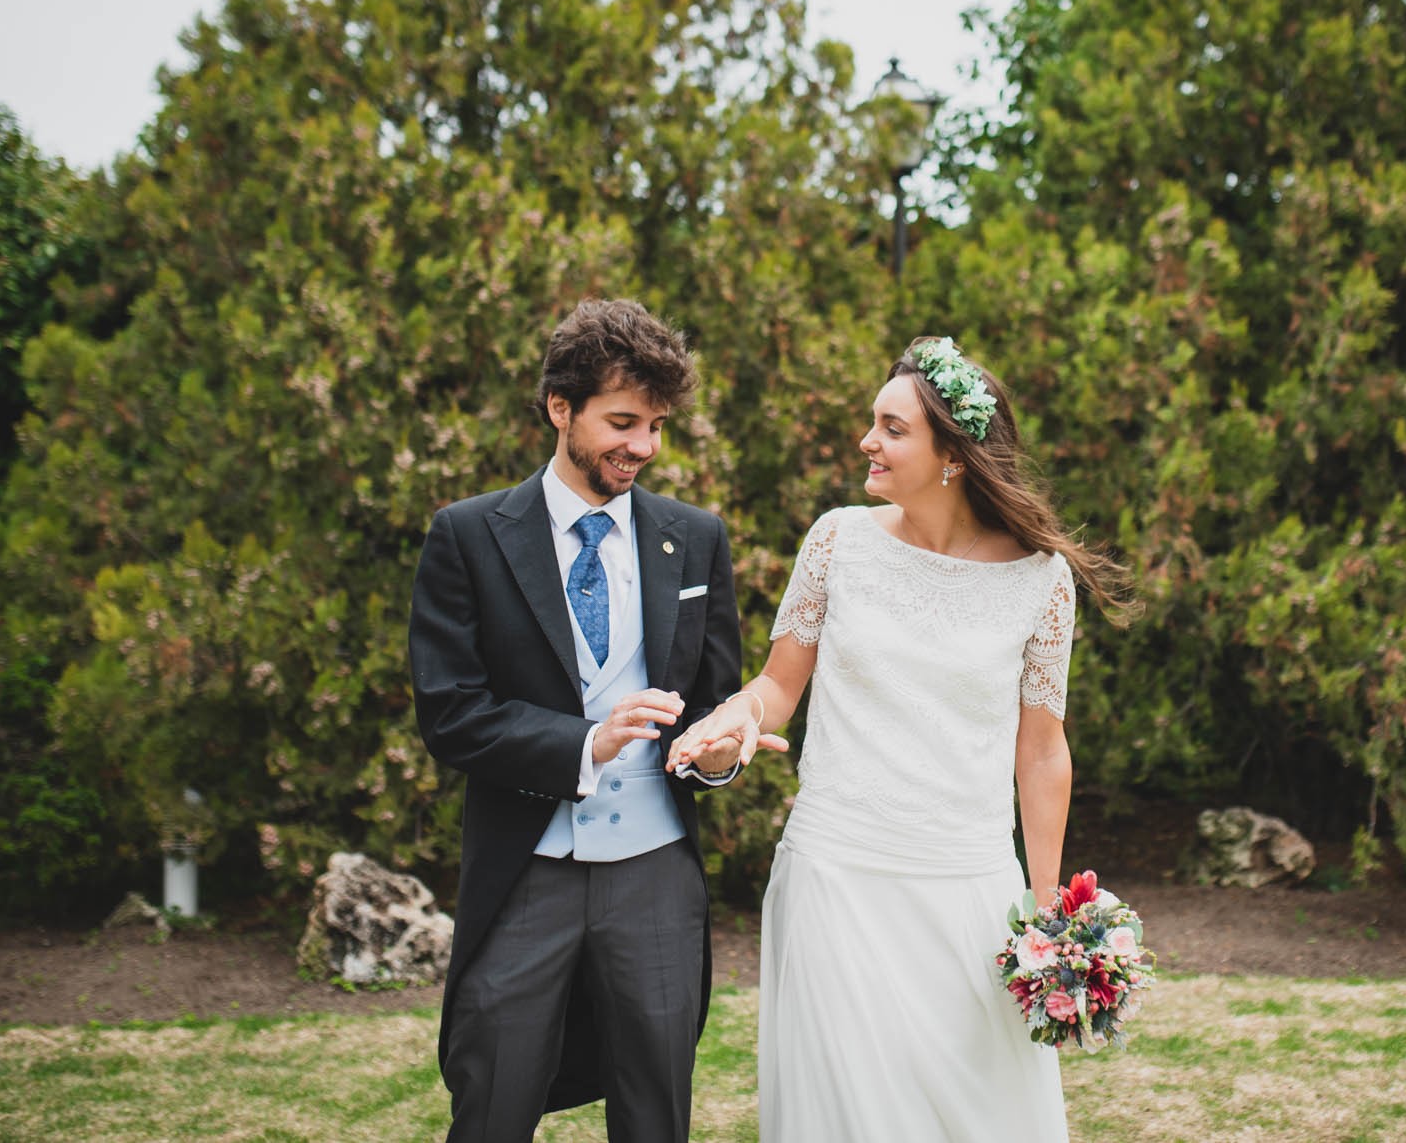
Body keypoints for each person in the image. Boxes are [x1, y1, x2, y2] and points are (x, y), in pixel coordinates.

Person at [668, 335, 1134, 1143]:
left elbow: (1041, 750)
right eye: (872, 423)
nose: (867, 442)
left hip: (968, 888)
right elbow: (778, 685)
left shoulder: (1041, 579)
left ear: (952, 453)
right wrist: (737, 718)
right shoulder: (838, 540)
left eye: (891, 428)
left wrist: (1047, 909)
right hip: (834, 876)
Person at [410, 298, 779, 1143]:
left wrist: (718, 754)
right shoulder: (467, 535)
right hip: (525, 868)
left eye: (656, 425)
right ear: (560, 408)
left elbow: (714, 705)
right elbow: (451, 713)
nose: (643, 446)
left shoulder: (695, 537)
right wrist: (585, 741)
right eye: (622, 422)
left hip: (656, 873)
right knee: (493, 1098)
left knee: (656, 1107)